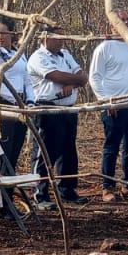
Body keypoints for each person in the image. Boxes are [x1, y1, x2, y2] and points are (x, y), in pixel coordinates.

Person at [26, 26, 87, 208]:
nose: (62, 40)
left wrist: (72, 82)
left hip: (68, 108)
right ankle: (40, 194)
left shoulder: (65, 54)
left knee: (68, 151)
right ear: (46, 37)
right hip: (48, 108)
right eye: (58, 37)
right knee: (45, 152)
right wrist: (72, 80)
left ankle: (67, 189)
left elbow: (82, 76)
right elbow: (54, 75)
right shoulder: (38, 57)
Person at [87, 17, 128, 201]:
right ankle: (108, 187)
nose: (126, 23)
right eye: (121, 20)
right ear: (112, 24)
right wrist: (106, 101)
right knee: (111, 147)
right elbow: (94, 77)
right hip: (115, 107)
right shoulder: (105, 48)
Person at [0, 18, 31, 174]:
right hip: (4, 106)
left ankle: (8, 195)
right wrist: (13, 100)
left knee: (14, 152)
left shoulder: (19, 54)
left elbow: (28, 79)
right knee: (2, 154)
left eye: (3, 33)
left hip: (22, 107)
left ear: (12, 34)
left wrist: (29, 101)